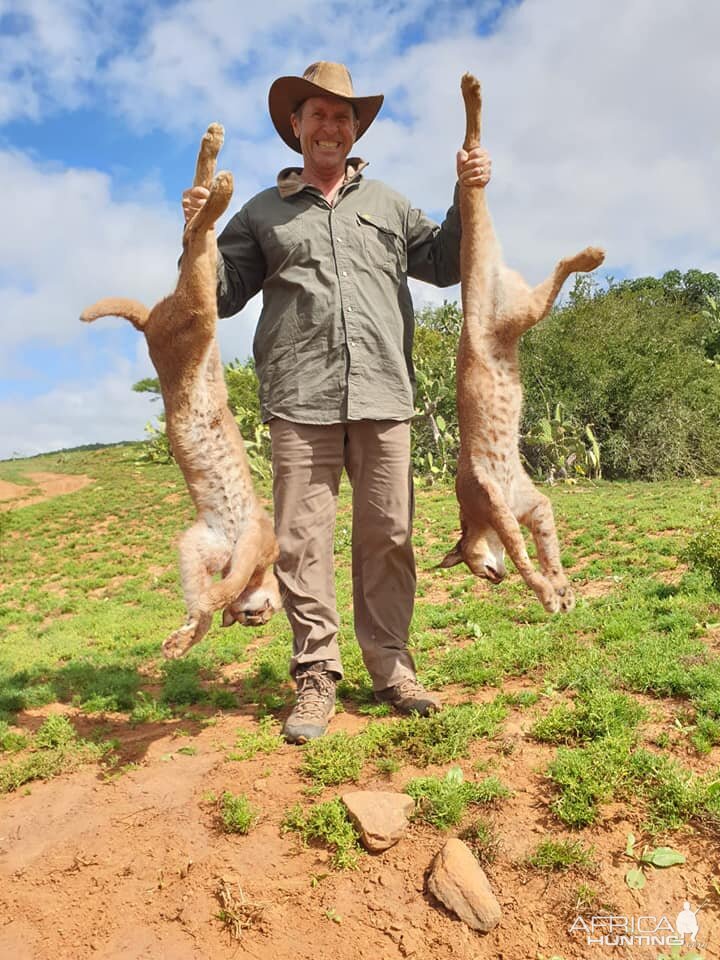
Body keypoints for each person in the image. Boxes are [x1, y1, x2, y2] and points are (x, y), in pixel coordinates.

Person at [182, 61, 491, 743]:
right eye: (316, 113)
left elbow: (445, 262)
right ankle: (316, 674)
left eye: (342, 115)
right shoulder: (262, 212)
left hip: (384, 392)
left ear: (356, 129)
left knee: (391, 536)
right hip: (299, 398)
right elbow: (221, 296)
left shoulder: (386, 204)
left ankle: (392, 667)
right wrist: (200, 232)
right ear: (295, 127)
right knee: (301, 544)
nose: (330, 124)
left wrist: (466, 193)